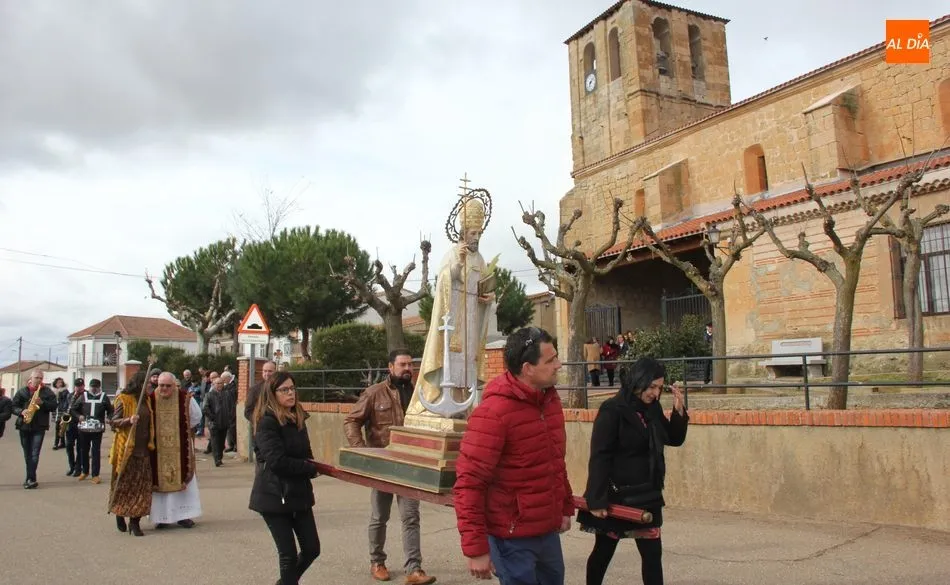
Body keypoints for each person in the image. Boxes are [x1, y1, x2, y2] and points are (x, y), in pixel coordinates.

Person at [454, 327, 574, 584]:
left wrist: (564, 507)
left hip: (547, 532)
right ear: (527, 368)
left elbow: (554, 462)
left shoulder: (550, 401)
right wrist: (476, 549)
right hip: (511, 537)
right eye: (550, 360)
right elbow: (469, 483)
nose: (558, 364)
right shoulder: (494, 413)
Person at [578, 358, 689, 585]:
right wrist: (596, 500)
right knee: (603, 551)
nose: (655, 393)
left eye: (659, 387)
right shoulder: (612, 410)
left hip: (647, 493)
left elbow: (674, 438)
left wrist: (679, 411)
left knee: (652, 554)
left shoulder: (652, 409)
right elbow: (600, 456)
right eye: (651, 387)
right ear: (638, 382)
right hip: (618, 495)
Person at [343, 350, 437, 584]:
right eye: (402, 364)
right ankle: (377, 562)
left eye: (410, 365)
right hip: (383, 465)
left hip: (411, 464)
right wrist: (363, 451)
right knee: (379, 516)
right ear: (390, 367)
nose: (408, 368)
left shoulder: (420, 395)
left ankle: (414, 569)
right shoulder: (374, 393)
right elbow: (351, 421)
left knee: (411, 517)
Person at [404, 193, 495, 421]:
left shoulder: (481, 259)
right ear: (464, 233)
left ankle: (465, 407)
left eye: (479, 233)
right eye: (473, 233)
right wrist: (456, 265)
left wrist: (489, 297)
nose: (476, 238)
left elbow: (483, 286)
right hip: (452, 321)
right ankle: (439, 401)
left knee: (467, 365)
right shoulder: (453, 253)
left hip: (471, 323)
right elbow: (444, 278)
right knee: (449, 363)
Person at [249, 371, 321, 585]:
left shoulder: (298, 416)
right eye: (285, 390)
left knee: (311, 549)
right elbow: (276, 461)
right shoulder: (266, 421)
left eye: (293, 388)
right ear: (272, 394)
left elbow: (306, 453)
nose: (291, 393)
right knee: (288, 555)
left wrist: (313, 465)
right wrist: (308, 468)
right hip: (274, 496)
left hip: (299, 494)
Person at [149, 372, 202, 530]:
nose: (164, 389)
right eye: (161, 385)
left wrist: (183, 430)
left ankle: (183, 516)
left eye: (168, 386)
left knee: (182, 479)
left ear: (174, 385)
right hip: (158, 449)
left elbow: (196, 416)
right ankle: (162, 517)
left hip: (180, 446)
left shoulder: (185, 398)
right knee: (159, 481)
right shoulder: (151, 399)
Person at [109, 371, 154, 536]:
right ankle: (120, 512)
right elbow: (113, 423)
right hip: (126, 450)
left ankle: (135, 522)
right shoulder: (123, 399)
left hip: (143, 451)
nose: (150, 385)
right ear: (139, 384)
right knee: (125, 487)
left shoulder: (147, 401)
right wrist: (128, 420)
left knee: (141, 489)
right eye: (147, 382)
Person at [12, 370, 58, 489]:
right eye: (36, 377)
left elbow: (54, 406)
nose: (39, 380)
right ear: (31, 378)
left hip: (39, 426)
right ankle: (31, 477)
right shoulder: (22, 391)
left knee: (35, 453)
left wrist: (42, 403)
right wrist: (21, 411)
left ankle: (30, 478)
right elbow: (13, 406)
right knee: (27, 454)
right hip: (24, 425)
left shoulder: (47, 392)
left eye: (41, 378)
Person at [70, 378, 114, 483]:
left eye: (96, 387)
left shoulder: (104, 397)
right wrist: (79, 416)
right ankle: (84, 472)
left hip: (97, 429)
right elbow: (73, 409)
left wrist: (109, 417)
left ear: (99, 387)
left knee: (95, 451)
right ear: (89, 387)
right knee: (83, 450)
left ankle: (95, 474)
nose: (94, 389)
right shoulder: (83, 397)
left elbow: (111, 411)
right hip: (84, 428)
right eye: (92, 387)